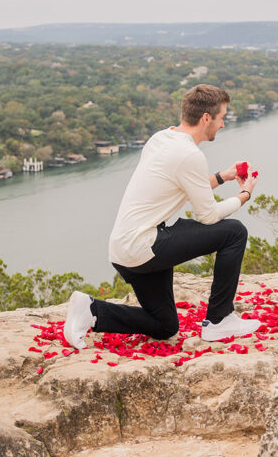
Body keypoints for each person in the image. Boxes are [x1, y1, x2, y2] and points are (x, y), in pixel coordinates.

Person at [64, 84, 261, 349]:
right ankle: (220, 320)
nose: (223, 124)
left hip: (126, 249)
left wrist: (222, 177)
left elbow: (184, 186)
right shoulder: (190, 154)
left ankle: (91, 310)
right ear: (206, 118)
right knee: (234, 232)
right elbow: (208, 215)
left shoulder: (162, 138)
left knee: (165, 326)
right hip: (146, 245)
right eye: (221, 117)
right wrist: (244, 195)